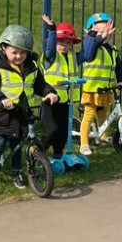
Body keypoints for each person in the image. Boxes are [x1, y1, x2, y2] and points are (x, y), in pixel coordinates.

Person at [0, 24, 58, 192]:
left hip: (22, 113)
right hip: (1, 115)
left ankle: (17, 173)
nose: (19, 56)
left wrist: (49, 92)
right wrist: (1, 98)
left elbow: (39, 84)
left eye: (23, 53)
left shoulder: (31, 67)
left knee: (17, 145)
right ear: (3, 49)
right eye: (14, 52)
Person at [79, 12, 122, 156]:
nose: (104, 34)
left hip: (105, 89)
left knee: (103, 114)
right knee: (89, 115)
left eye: (107, 31)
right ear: (90, 33)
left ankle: (103, 136)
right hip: (92, 89)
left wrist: (121, 80)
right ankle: (84, 144)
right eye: (99, 31)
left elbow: (119, 67)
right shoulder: (91, 49)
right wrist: (95, 37)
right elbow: (89, 49)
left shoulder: (113, 50)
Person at [39, 15, 83, 159]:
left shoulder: (73, 56)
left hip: (66, 101)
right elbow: (51, 48)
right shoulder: (50, 56)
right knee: (51, 130)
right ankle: (37, 152)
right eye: (60, 41)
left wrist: (94, 36)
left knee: (64, 130)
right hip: (51, 100)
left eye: (68, 42)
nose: (64, 45)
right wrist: (52, 29)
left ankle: (58, 154)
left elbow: (88, 53)